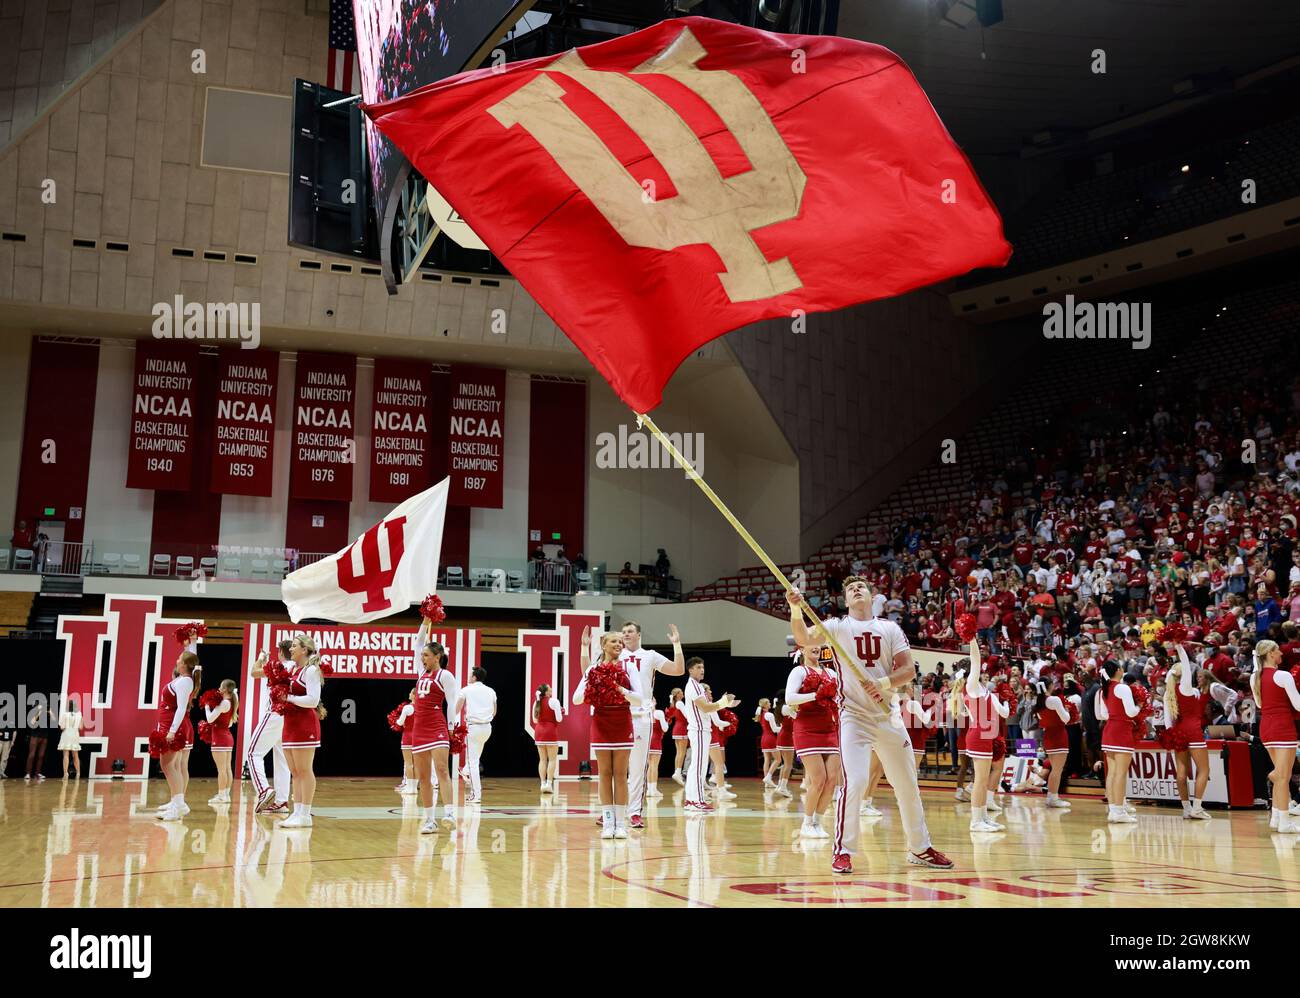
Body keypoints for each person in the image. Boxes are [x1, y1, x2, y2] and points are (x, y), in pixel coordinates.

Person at [788, 578, 953, 872]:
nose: (855, 590)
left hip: (887, 714)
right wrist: (795, 608)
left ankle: (920, 847)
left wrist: (884, 682)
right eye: (850, 589)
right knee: (856, 781)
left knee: (907, 782)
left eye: (861, 586)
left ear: (871, 595)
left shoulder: (890, 629)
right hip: (853, 716)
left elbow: (907, 670)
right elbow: (803, 638)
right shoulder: (837, 626)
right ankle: (843, 850)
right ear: (846, 600)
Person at [573, 626, 642, 837]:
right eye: (614, 641)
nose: (619, 644)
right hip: (601, 722)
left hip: (622, 721)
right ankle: (608, 824)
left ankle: (621, 824)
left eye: (621, 642)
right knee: (604, 774)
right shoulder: (592, 670)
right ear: (603, 645)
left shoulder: (629, 668)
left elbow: (639, 699)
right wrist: (593, 688)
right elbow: (576, 699)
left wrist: (618, 689)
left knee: (621, 774)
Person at [618, 621, 685, 830]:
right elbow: (588, 673)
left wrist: (677, 645)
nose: (626, 634)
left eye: (630, 631)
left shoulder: (650, 655)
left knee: (638, 768)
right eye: (623, 632)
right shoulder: (615, 654)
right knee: (616, 768)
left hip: (641, 716)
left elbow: (678, 670)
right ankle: (613, 810)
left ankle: (635, 812)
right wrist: (585, 648)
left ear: (638, 634)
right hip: (618, 715)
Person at [950, 639, 1010, 832]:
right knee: (980, 780)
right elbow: (975, 660)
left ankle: (983, 817)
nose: (983, 668)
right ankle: (976, 821)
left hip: (986, 734)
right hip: (978, 735)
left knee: (983, 779)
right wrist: (971, 639)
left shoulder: (981, 689)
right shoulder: (971, 686)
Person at [785, 643, 842, 839]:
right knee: (818, 779)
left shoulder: (832, 674)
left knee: (832, 780)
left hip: (829, 729)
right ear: (801, 649)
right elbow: (790, 698)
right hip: (807, 729)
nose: (816, 647)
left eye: (818, 644)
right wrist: (815, 695)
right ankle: (806, 823)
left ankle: (818, 822)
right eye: (811, 644)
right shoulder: (798, 671)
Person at [411, 625, 459, 834]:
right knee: (423, 777)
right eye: (422, 656)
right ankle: (430, 820)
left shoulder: (445, 676)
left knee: (442, 770)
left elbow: (452, 702)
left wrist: (451, 728)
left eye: (427, 655)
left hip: (437, 727)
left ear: (437, 657)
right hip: (418, 728)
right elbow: (417, 642)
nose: (423, 658)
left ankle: (449, 813)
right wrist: (425, 620)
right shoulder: (421, 672)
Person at [1251, 639, 1300, 833]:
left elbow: (1261, 705)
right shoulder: (1283, 675)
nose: (1281, 653)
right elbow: (1298, 705)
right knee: (1282, 776)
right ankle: (1284, 822)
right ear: (1270, 653)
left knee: (1281, 775)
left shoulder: (1254, 677)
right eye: (1278, 650)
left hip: (1266, 728)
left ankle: (1277, 817)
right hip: (1282, 727)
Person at [279, 634, 326, 829]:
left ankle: (305, 814)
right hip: (290, 724)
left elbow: (313, 700)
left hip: (305, 724)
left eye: (295, 646)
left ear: (304, 650)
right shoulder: (294, 670)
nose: (291, 649)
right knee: (295, 772)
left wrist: (288, 698)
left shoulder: (312, 670)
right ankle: (297, 812)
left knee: (305, 770)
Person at [680, 656, 737, 813]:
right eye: (698, 667)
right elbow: (706, 708)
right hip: (699, 730)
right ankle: (696, 800)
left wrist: (724, 703)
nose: (702, 670)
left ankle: (691, 800)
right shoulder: (695, 686)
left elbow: (707, 708)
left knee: (696, 767)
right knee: (699, 767)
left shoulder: (695, 686)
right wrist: (724, 702)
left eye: (702, 667)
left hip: (700, 730)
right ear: (690, 670)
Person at [1163, 646, 1211, 820]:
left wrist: (1172, 737)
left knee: (1181, 773)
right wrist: (1179, 646)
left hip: (1178, 733)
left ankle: (1186, 808)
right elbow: (1185, 661)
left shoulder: (1168, 694)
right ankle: (1197, 808)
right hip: (1193, 732)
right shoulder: (1186, 688)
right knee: (1204, 770)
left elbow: (1168, 722)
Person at [151, 652, 199, 820]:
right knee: (170, 765)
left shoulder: (185, 681)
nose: (177, 660)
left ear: (185, 665)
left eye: (180, 659)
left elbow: (180, 708)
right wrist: (192, 641)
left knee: (169, 766)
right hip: (169, 724)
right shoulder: (183, 679)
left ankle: (178, 805)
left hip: (173, 726)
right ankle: (176, 803)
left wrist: (172, 730)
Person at [248, 639, 293, 815]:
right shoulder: (296, 667)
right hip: (288, 715)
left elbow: (253, 672)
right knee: (282, 759)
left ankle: (264, 790)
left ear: (281, 653)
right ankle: (281, 802)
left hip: (274, 713)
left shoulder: (279, 666)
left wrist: (261, 658)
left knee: (253, 753)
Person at [1096, 660, 1140, 823]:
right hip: (1121, 732)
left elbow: (1104, 714)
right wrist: (1140, 707)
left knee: (1113, 773)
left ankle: (1114, 811)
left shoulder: (1104, 690)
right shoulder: (1123, 688)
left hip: (1109, 732)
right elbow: (1131, 712)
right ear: (1118, 671)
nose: (1123, 669)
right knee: (1121, 774)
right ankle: (1119, 812)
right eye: (1121, 667)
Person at [454, 667, 497, 804]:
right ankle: (465, 771)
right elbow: (494, 711)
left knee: (473, 762)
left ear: (474, 677)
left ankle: (476, 794)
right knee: (475, 758)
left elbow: (457, 708)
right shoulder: (491, 691)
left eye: (470, 675)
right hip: (487, 728)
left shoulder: (466, 689)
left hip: (473, 728)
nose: (468, 677)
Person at [1032, 678, 1072, 808]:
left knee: (1055, 769)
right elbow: (1066, 718)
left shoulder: (1038, 701)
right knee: (1057, 770)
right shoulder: (1054, 700)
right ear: (1049, 686)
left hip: (1048, 736)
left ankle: (1051, 796)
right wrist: (1068, 710)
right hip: (1059, 736)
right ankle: (1053, 797)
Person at [203, 680, 238, 804]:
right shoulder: (232, 701)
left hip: (220, 738)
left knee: (222, 770)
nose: (218, 688)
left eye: (220, 686)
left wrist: (207, 706)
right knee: (227, 768)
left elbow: (210, 718)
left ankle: (222, 795)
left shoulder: (224, 703)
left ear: (224, 689)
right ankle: (226, 794)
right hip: (227, 737)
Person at [531, 683, 564, 793]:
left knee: (542, 760)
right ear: (546, 692)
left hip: (539, 732)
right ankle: (549, 784)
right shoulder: (554, 701)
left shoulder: (536, 702)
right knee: (552, 759)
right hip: (550, 732)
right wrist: (561, 711)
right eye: (550, 689)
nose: (551, 690)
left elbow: (535, 720)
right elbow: (559, 719)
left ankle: (542, 784)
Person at [393, 688, 418, 795]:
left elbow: (400, 722)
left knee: (408, 764)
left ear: (414, 695)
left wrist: (397, 722)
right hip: (419, 738)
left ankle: (410, 788)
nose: (409, 694)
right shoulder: (423, 708)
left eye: (410, 692)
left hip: (408, 737)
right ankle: (414, 788)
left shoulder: (407, 707)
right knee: (416, 764)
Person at [646, 697, 669, 800]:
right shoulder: (659, 713)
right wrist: (666, 721)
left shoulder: (644, 713)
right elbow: (665, 728)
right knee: (654, 766)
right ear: (654, 702)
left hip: (646, 742)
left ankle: (648, 790)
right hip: (655, 741)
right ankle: (653, 789)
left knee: (649, 766)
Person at [755, 697, 780, 787]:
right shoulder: (769, 714)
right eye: (769, 702)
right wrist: (784, 728)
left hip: (764, 739)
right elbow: (774, 729)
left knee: (767, 760)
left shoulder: (761, 715)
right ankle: (768, 778)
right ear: (765, 705)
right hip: (770, 739)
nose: (770, 704)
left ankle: (767, 782)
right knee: (778, 759)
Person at [774, 696, 796, 798]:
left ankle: (780, 785)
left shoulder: (780, 707)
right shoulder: (786, 708)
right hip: (787, 737)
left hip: (783, 736)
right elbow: (797, 717)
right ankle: (783, 787)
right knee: (788, 765)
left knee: (785, 764)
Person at [57, 694, 83, 779]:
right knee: (76, 755)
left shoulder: (65, 714)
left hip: (66, 734)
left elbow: (62, 727)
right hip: (75, 735)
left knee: (66, 755)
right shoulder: (79, 714)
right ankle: (78, 773)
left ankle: (65, 773)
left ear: (69, 706)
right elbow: (81, 727)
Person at [667, 688, 688, 785]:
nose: (683, 693)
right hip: (682, 728)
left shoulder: (674, 704)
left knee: (679, 752)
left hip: (677, 729)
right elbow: (687, 715)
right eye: (681, 692)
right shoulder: (680, 703)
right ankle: (678, 772)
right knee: (682, 753)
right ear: (677, 695)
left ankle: (677, 772)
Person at [24, 702, 50, 780]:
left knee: (41, 756)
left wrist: (50, 711)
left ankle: (37, 773)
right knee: (32, 755)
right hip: (35, 736)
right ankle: (28, 773)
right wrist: (38, 712)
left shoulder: (45, 714)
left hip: (44, 736)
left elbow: (54, 719)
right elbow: (32, 722)